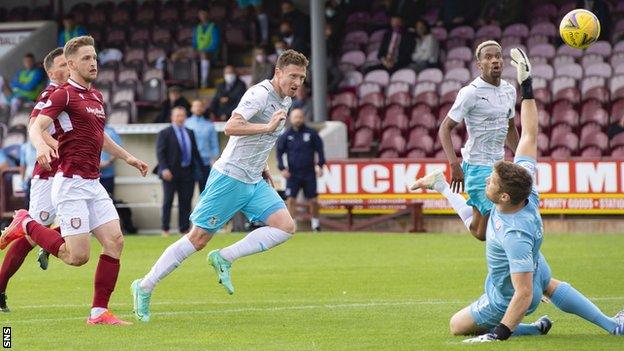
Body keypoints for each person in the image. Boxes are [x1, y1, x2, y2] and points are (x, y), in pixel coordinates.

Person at [416, 47, 624, 342]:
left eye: (491, 183)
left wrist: (497, 335)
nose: (488, 180)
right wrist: (528, 87)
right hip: (536, 269)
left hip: (510, 298)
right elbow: (529, 134)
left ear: (502, 198)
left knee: (457, 322)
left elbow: (523, 294)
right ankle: (611, 324)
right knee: (544, 279)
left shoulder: (510, 229)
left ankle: (520, 326)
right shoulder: (529, 191)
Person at [131, 50, 308, 322]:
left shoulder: (285, 100)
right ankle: (145, 285)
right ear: (278, 72)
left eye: (302, 78)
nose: (297, 82)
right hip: (230, 178)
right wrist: (265, 128)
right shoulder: (259, 94)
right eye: (293, 76)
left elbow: (262, 139)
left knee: (285, 227)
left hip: (253, 179)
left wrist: (263, 166)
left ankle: (224, 257)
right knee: (197, 239)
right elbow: (231, 127)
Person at [0, 36, 148, 325]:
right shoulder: (61, 94)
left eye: (94, 58)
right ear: (69, 64)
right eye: (85, 59)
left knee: (115, 242)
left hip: (93, 182)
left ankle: (99, 312)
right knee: (76, 256)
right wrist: (42, 146)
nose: (93, 63)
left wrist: (127, 156)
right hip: (69, 181)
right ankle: (25, 222)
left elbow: (98, 135)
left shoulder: (96, 97)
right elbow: (36, 126)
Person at [419, 41, 519, 241]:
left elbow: (510, 127)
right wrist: (454, 164)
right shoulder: (470, 92)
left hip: (499, 166)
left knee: (480, 233)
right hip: (476, 167)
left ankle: (441, 186)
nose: (495, 61)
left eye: (498, 56)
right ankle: (520, 270)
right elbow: (444, 128)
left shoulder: (510, 90)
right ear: (479, 64)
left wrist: (523, 159)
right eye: (488, 57)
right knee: (501, 223)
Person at [0, 47, 69, 313]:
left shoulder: (73, 93)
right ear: (51, 72)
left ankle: (47, 242)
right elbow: (33, 125)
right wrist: (50, 145)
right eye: (63, 64)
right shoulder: (50, 94)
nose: (69, 67)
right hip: (49, 174)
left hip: (72, 172)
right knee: (29, 236)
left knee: (89, 219)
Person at [276, 108, 325, 232]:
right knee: (291, 199)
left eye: (299, 117)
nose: (297, 120)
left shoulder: (312, 133)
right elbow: (279, 152)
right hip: (293, 173)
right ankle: (292, 225)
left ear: (303, 118)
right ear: (291, 119)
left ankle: (315, 225)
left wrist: (320, 165)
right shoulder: (286, 135)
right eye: (295, 117)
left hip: (309, 172)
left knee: (313, 200)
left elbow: (320, 150)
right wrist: (282, 168)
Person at [156, 107, 201, 237]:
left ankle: (184, 229)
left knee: (186, 202)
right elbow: (160, 152)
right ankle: (165, 229)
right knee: (168, 201)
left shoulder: (190, 132)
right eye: (177, 116)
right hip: (170, 173)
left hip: (187, 173)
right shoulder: (165, 133)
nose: (180, 118)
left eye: (182, 115)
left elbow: (195, 152)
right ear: (172, 117)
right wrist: (164, 169)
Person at [185, 99, 220, 193]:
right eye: (195, 106)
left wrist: (214, 159)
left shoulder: (209, 125)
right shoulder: (186, 123)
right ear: (191, 109)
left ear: (203, 109)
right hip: (190, 162)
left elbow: (214, 144)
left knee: (205, 191)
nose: (198, 108)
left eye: (200, 106)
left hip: (205, 162)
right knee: (187, 192)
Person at [193, 8, 221, 88]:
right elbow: (194, 43)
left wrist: (203, 51)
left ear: (208, 15)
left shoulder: (214, 27)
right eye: (201, 14)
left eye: (204, 14)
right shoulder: (197, 28)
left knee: (204, 54)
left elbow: (215, 44)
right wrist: (195, 50)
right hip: (199, 52)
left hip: (212, 53)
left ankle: (204, 82)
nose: (202, 16)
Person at [100, 124, 122, 196]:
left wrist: (108, 162)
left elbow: (118, 149)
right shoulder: (87, 130)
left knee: (107, 198)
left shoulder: (111, 131)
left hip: (107, 175)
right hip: (90, 175)